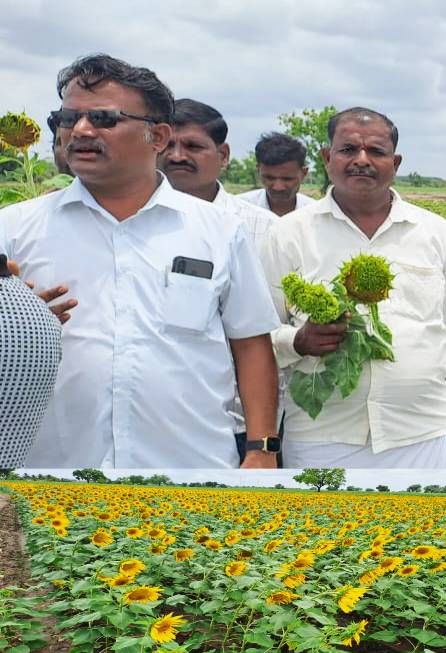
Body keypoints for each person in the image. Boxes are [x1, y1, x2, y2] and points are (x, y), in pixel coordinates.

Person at [0, 53, 279, 468]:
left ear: (159, 136)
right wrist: (17, 325)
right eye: (67, 118)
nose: (79, 130)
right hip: (52, 472)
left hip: (190, 472)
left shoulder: (219, 230)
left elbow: (251, 343)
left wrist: (261, 450)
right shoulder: (14, 229)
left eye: (103, 118)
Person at [258, 106, 446, 469]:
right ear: (327, 158)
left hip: (420, 434)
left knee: (423, 528)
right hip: (321, 436)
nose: (361, 160)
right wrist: (297, 341)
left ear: (395, 162)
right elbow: (258, 337)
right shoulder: (288, 235)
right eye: (349, 150)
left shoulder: (434, 233)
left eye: (376, 152)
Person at [160, 98, 283, 463]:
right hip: (159, 422)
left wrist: (264, 444)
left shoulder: (267, 231)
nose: (177, 156)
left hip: (245, 426)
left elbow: (275, 332)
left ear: (224, 154)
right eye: (168, 145)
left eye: (193, 146)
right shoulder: (128, 227)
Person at [239, 132, 315, 216]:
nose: (278, 187)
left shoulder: (317, 214)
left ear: (304, 173)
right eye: (269, 178)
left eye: (287, 179)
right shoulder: (238, 209)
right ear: (258, 170)